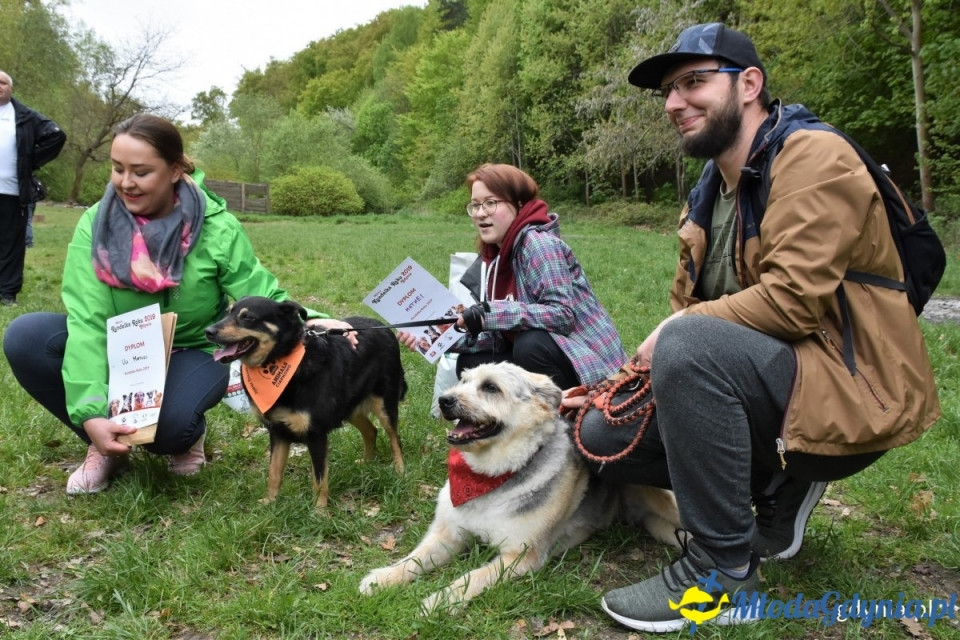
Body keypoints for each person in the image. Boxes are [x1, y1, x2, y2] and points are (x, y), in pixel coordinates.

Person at [562, 23, 941, 633]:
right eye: (668, 90)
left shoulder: (815, 156)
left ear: (750, 85)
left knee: (688, 342)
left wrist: (681, 328)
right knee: (604, 433)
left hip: (851, 390)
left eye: (694, 82)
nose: (674, 103)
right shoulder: (708, 193)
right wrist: (618, 381)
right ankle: (775, 484)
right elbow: (692, 313)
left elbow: (791, 304)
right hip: (773, 386)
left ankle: (721, 574)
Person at [2, 114, 354, 495]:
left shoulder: (217, 226)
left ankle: (188, 437)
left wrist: (317, 321)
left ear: (174, 170)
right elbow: (88, 321)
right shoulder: (95, 224)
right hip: (121, 349)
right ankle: (105, 445)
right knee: (26, 337)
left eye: (140, 171)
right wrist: (90, 414)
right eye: (117, 169)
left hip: (192, 349)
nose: (125, 182)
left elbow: (261, 291)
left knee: (168, 432)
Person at [400, 163, 627, 389]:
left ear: (519, 204)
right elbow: (500, 337)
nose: (480, 213)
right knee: (472, 367)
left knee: (530, 344)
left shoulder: (539, 245)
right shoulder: (497, 258)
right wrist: (437, 340)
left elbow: (563, 315)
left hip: (593, 365)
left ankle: (569, 418)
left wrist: (490, 314)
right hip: (550, 356)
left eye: (490, 203)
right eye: (475, 205)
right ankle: (513, 423)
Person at [0, 70, 66, 305]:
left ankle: (7, 293)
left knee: (11, 244)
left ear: (11, 88)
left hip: (12, 192)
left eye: (3, 82)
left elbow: (57, 136)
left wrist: (29, 161)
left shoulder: (25, 116)